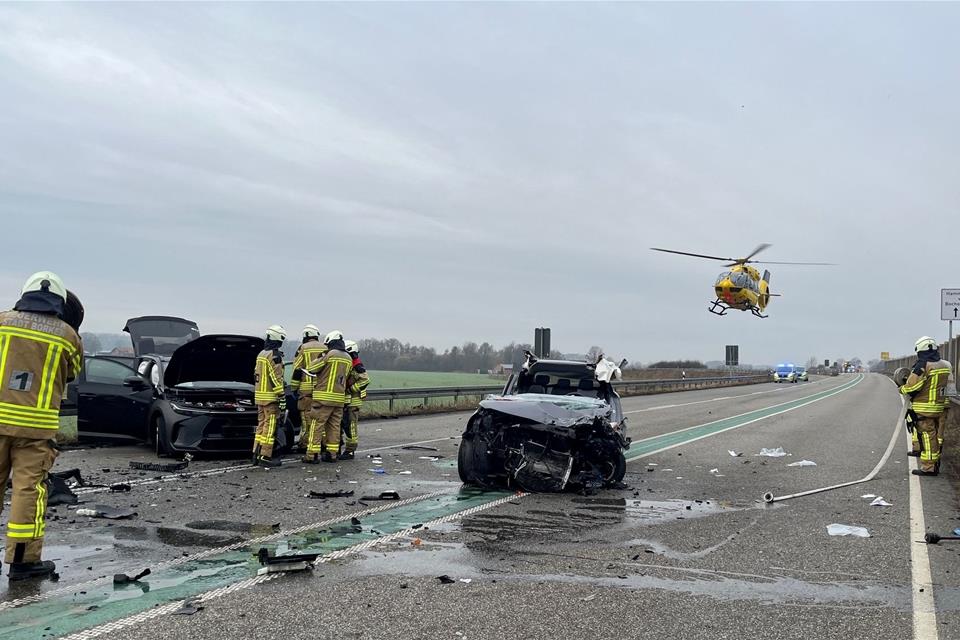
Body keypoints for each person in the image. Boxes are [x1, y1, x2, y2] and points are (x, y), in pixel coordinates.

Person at [0, 271, 82, 581]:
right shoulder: (67, 336)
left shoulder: (2, 321)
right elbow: (72, 372)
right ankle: (22, 561)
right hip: (36, 430)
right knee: (28, 492)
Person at [900, 336, 954, 476]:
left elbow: (912, 387)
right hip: (939, 406)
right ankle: (935, 463)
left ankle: (929, 467)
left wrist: (902, 389)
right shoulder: (944, 365)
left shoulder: (922, 366)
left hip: (924, 408)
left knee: (927, 436)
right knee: (935, 435)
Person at [305, 331, 353, 463]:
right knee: (334, 427)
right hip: (339, 399)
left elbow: (312, 368)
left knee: (316, 425)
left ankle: (312, 455)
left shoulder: (329, 354)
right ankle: (332, 454)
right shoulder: (348, 357)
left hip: (323, 398)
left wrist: (320, 356)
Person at [253, 325, 287, 468]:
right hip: (271, 399)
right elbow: (275, 378)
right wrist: (281, 396)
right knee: (270, 427)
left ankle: (256, 453)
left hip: (260, 397)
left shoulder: (261, 354)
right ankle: (265, 456)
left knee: (261, 426)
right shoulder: (274, 355)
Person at [289, 325, 326, 452]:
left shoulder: (303, 348)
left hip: (306, 392)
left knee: (307, 420)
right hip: (322, 390)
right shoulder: (325, 348)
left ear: (306, 335)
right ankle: (323, 443)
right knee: (321, 420)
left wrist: (294, 388)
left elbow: (297, 370)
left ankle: (305, 444)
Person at [338, 340, 370, 460]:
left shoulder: (357, 366)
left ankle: (350, 451)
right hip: (345, 401)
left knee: (350, 427)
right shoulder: (349, 363)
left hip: (353, 402)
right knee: (341, 425)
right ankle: (338, 447)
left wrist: (351, 389)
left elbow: (365, 380)